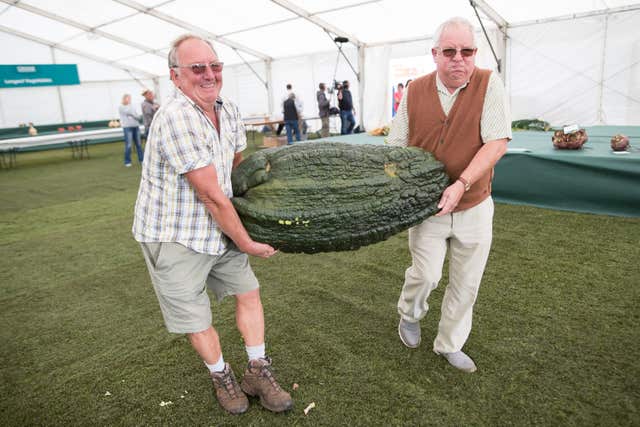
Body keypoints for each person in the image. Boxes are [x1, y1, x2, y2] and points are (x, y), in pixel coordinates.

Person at [132, 34, 293, 415]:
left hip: (219, 225)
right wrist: (249, 241)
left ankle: (257, 369)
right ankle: (221, 374)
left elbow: (236, 168)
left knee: (248, 292)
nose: (209, 74)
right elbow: (211, 196)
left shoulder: (228, 109)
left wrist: (262, 213)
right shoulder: (175, 118)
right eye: (197, 68)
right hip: (174, 233)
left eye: (214, 66)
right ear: (175, 77)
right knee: (195, 315)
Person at [388, 17, 511, 373]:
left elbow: (497, 141)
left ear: (475, 53)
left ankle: (450, 344)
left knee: (466, 283)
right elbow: (395, 145)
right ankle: (409, 315)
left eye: (467, 51)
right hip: (428, 208)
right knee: (425, 274)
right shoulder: (414, 90)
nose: (459, 58)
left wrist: (462, 184)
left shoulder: (489, 84)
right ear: (435, 54)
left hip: (474, 204)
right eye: (450, 51)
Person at [118, 94, 143, 167]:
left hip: (136, 126)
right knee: (128, 145)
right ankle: (127, 161)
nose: (129, 100)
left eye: (129, 98)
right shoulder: (121, 107)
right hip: (127, 127)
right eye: (127, 98)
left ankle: (141, 159)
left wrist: (137, 116)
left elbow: (136, 115)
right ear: (124, 99)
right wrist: (136, 116)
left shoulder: (132, 106)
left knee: (139, 144)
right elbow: (130, 113)